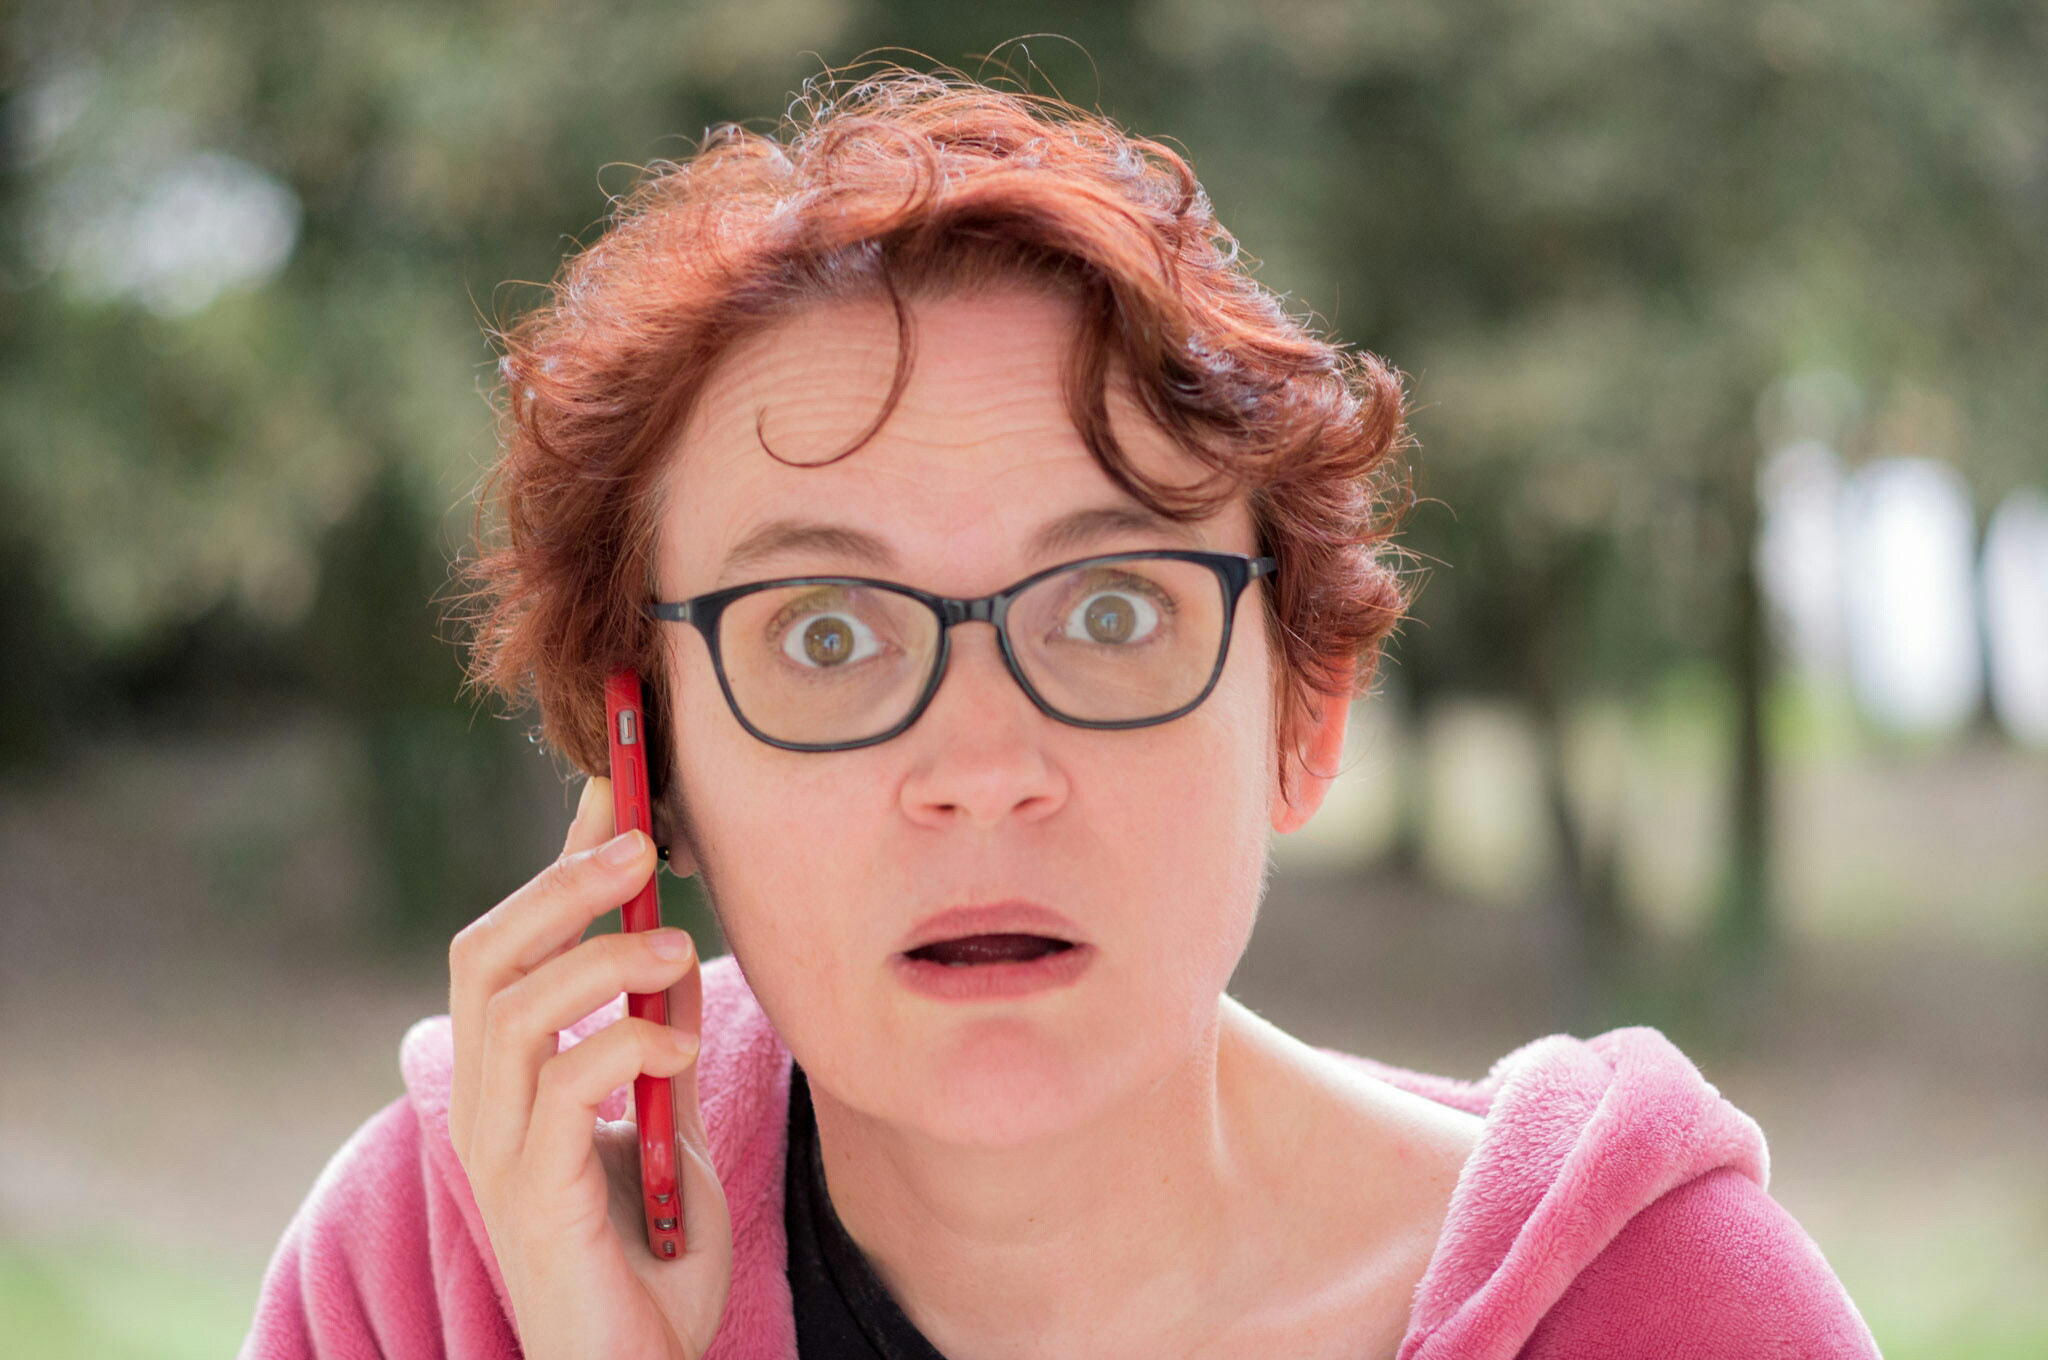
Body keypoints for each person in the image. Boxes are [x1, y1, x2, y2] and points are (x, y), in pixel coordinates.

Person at [239, 68, 1879, 1360]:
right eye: (824, 633)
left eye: (1109, 613)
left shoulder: (1671, 1318)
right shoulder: (442, 1275)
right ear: (650, 769)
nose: (981, 771)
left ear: (1304, 715)